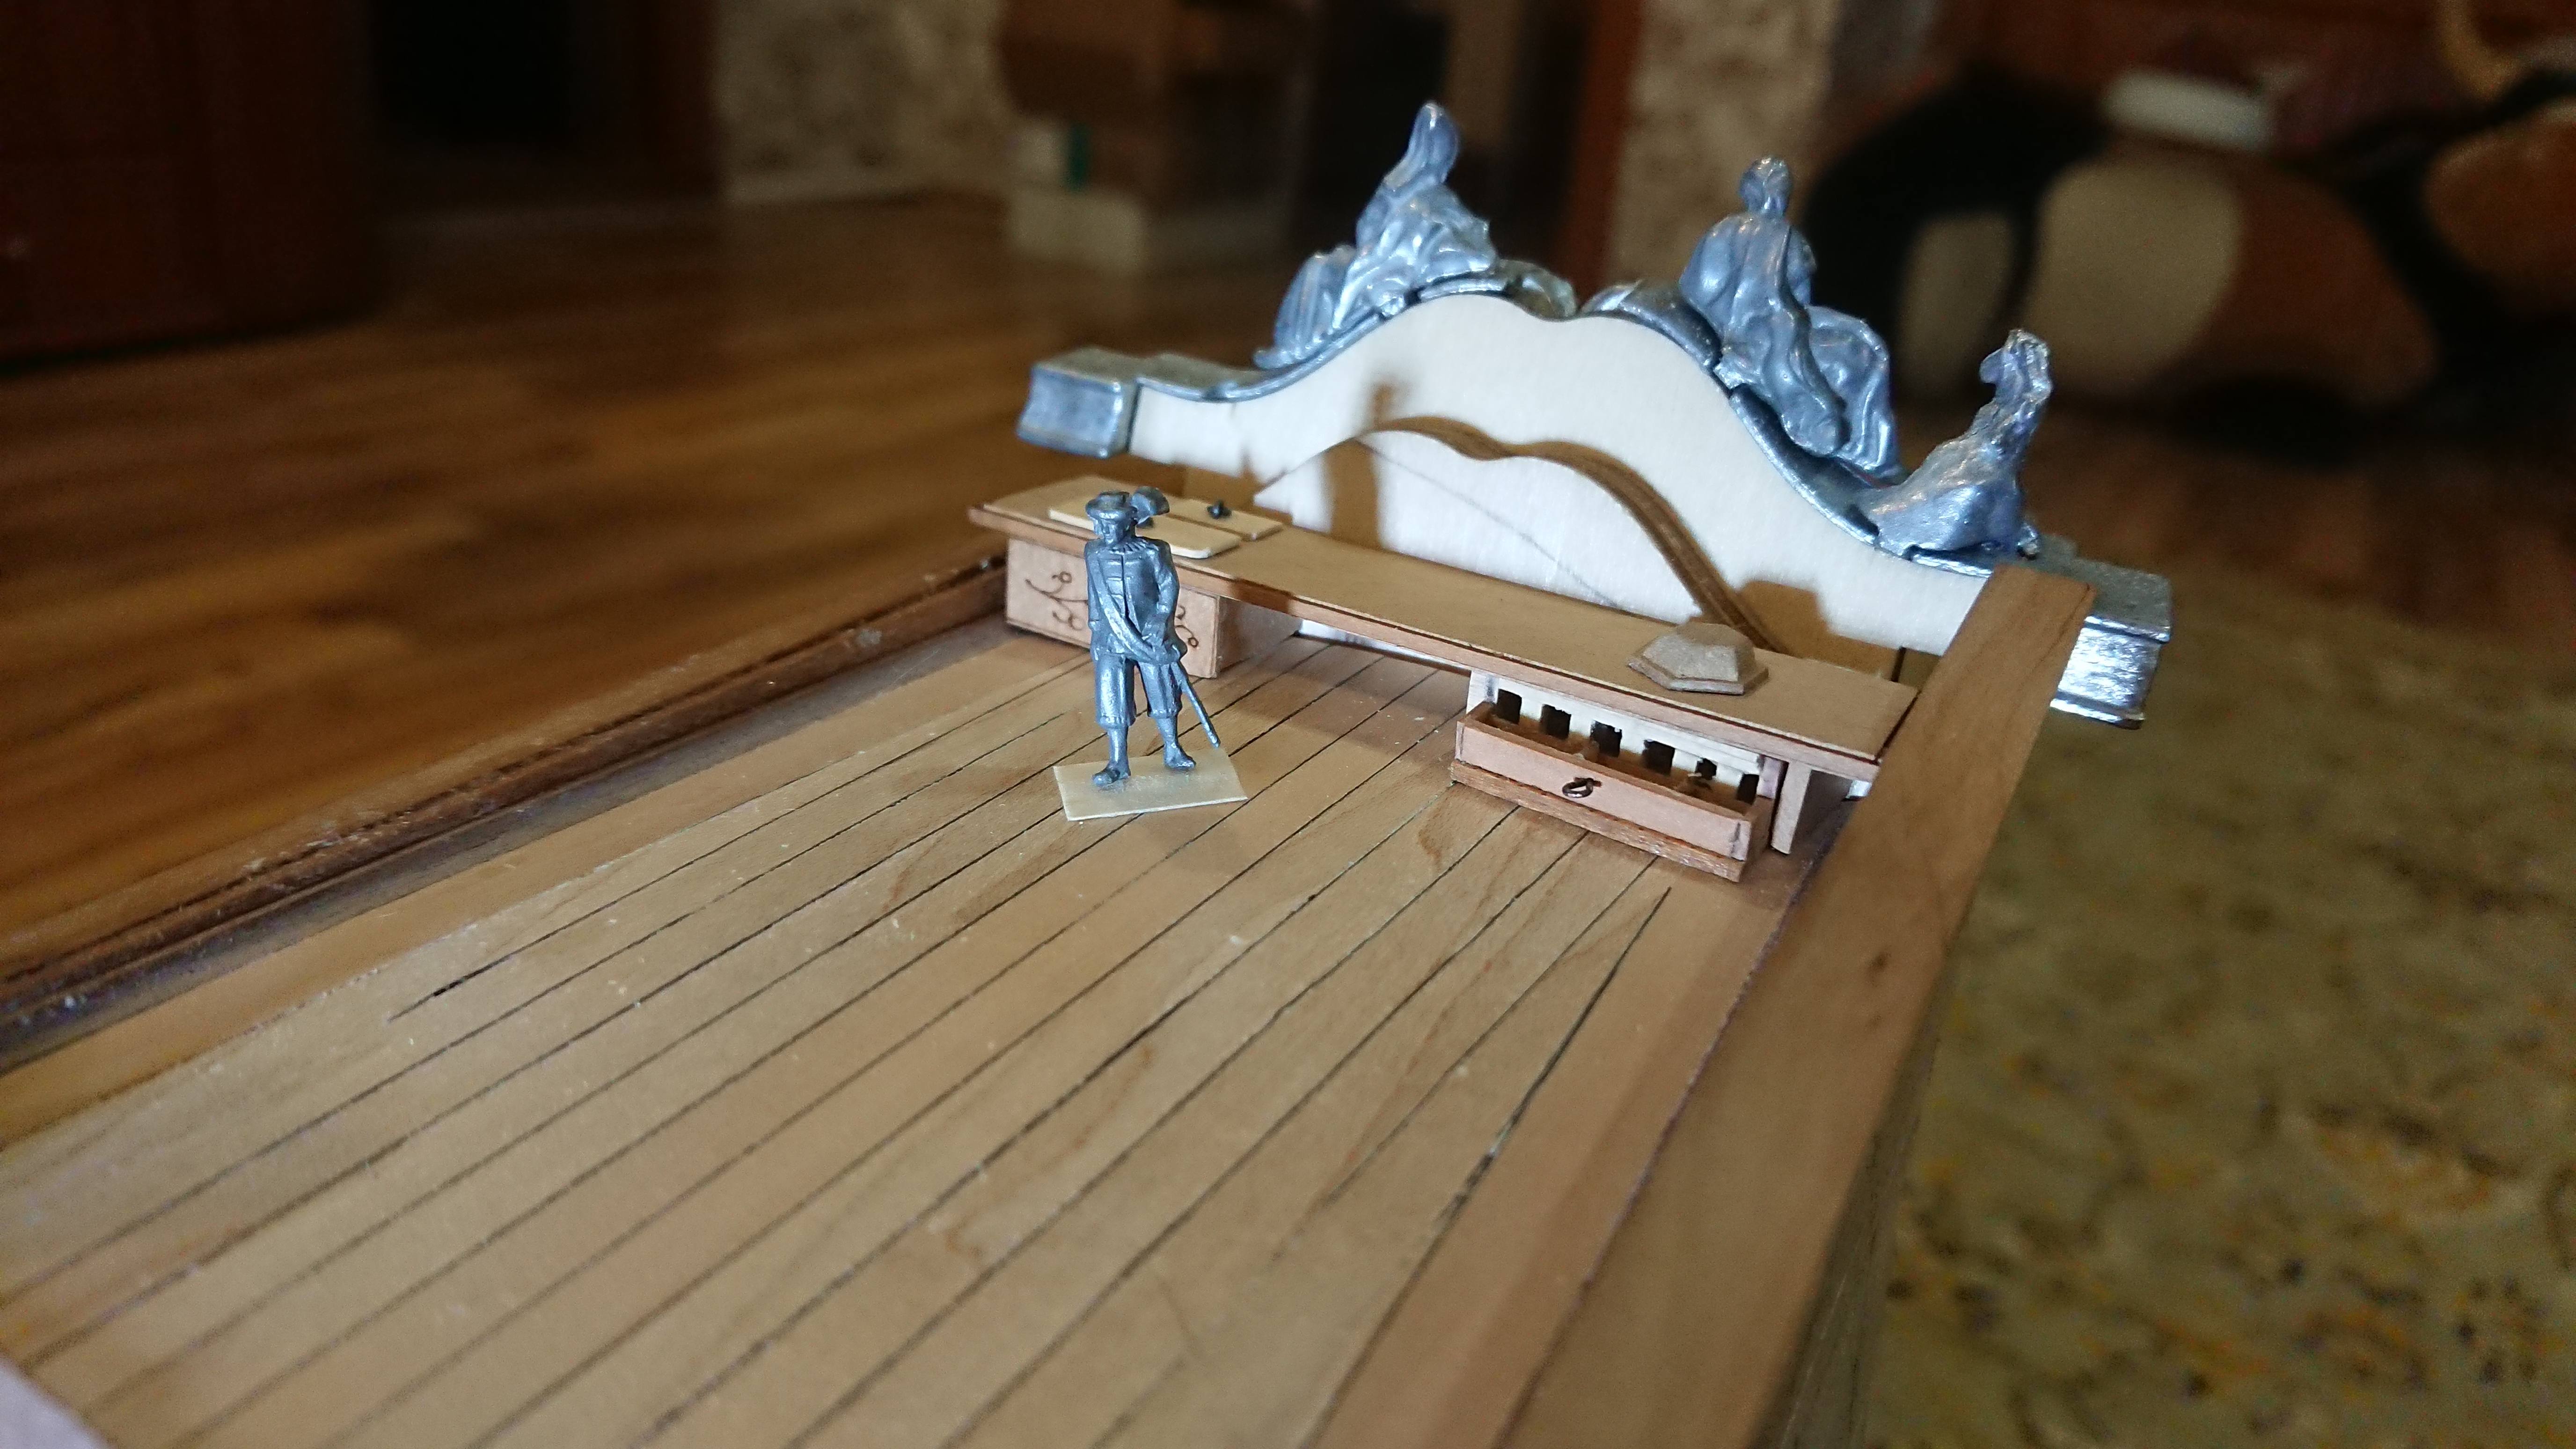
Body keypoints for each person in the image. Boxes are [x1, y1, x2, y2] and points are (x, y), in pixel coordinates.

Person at [1083, 488, 1196, 786]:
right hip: (1111, 638)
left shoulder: (1152, 551)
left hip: (1150, 637)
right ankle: (1117, 762)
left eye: (1108, 524)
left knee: (1163, 693)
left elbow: (1168, 586)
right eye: (1098, 523)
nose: (1101, 531)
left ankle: (1172, 749)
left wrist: (1162, 620)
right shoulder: (1093, 552)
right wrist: (1096, 631)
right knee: (1113, 700)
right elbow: (1094, 595)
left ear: (1128, 522)